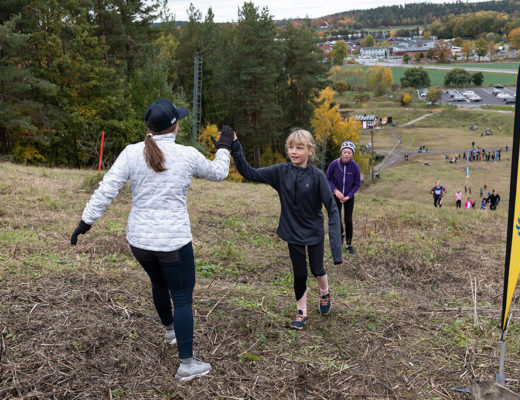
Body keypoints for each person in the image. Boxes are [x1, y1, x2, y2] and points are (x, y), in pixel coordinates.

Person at [70, 99, 233, 381]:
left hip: (140, 242)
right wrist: (225, 147)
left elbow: (107, 188)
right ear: (174, 126)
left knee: (158, 284)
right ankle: (186, 364)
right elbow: (219, 173)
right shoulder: (187, 154)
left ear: (150, 128)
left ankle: (170, 331)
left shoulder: (131, 153)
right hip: (174, 243)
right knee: (182, 299)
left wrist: (85, 222)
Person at [231, 128, 342, 330]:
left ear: (310, 151)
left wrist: (337, 247)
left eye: (299, 148)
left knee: (317, 269)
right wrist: (235, 146)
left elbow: (332, 207)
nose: (293, 151)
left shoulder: (317, 176)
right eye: (291, 147)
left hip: (314, 231)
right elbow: (250, 173)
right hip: (292, 231)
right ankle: (302, 311)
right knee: (300, 273)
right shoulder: (281, 172)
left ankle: (324, 292)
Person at [326, 141, 361, 255]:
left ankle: (349, 245)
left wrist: (349, 195)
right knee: (337, 218)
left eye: (349, 153)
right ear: (341, 152)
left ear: (352, 154)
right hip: (336, 195)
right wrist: (335, 191)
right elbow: (328, 179)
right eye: (344, 152)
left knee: (348, 219)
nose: (346, 154)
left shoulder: (355, 166)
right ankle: (340, 237)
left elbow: (357, 184)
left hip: (349, 197)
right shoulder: (334, 164)